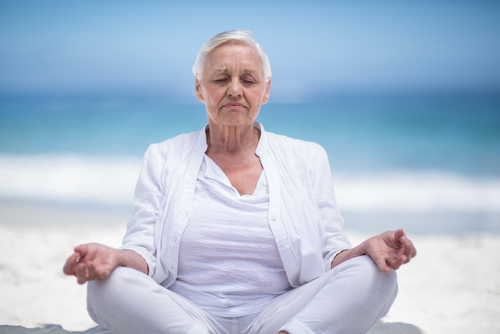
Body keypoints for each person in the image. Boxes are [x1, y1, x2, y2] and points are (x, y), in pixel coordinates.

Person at [63, 30, 416, 334]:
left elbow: (330, 254)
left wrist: (363, 251)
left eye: (248, 80)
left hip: (282, 309)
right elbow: (143, 251)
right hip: (185, 314)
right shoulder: (163, 156)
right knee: (106, 285)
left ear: (266, 90)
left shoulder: (308, 157)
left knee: (377, 275)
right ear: (200, 88)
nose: (235, 90)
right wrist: (113, 257)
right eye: (221, 79)